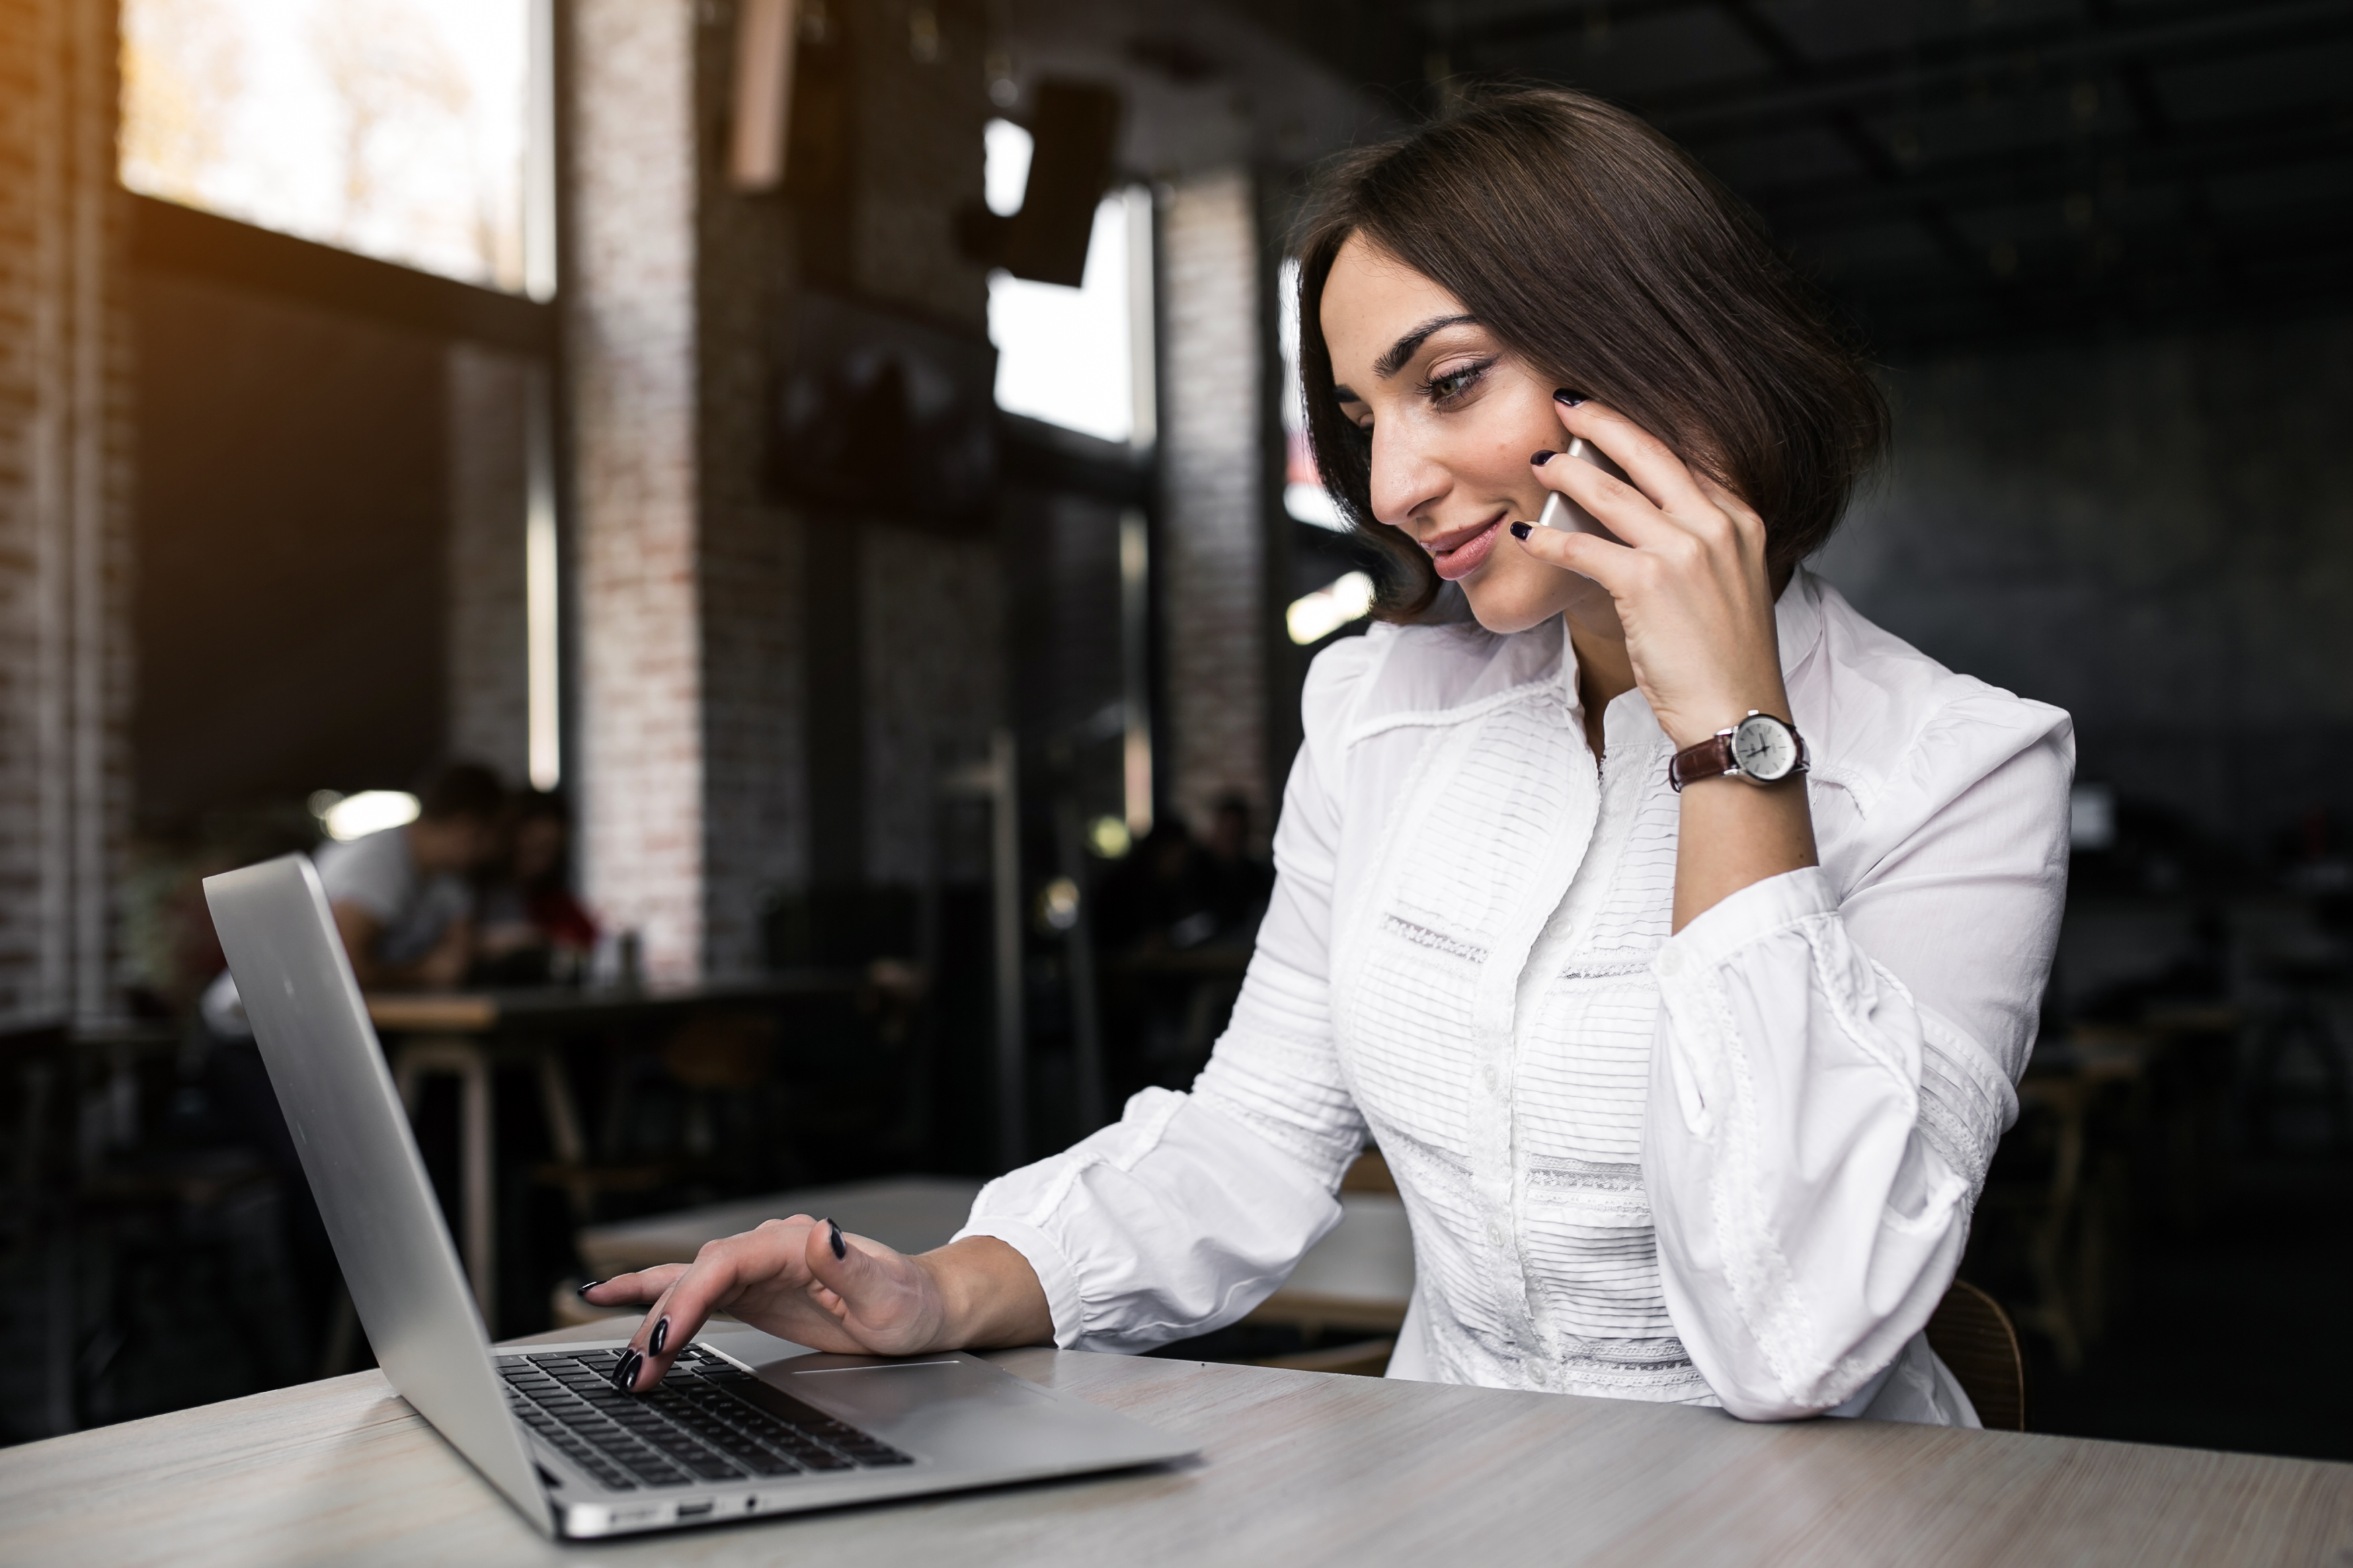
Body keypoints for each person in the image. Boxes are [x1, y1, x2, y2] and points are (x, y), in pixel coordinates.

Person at [582, 89, 2071, 1427]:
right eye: (1359, 417)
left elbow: (1794, 1338)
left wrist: (1728, 742)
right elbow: (1253, 1139)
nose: (1390, 482)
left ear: (1649, 340)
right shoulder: (1377, 709)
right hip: (1457, 1499)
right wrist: (936, 1289)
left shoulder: (1961, 767)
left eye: (1450, 381)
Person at [473, 790, 598, 985]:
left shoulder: (552, 900)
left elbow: (587, 941)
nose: (540, 861)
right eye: (533, 847)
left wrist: (541, 939)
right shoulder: (471, 890)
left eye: (550, 850)